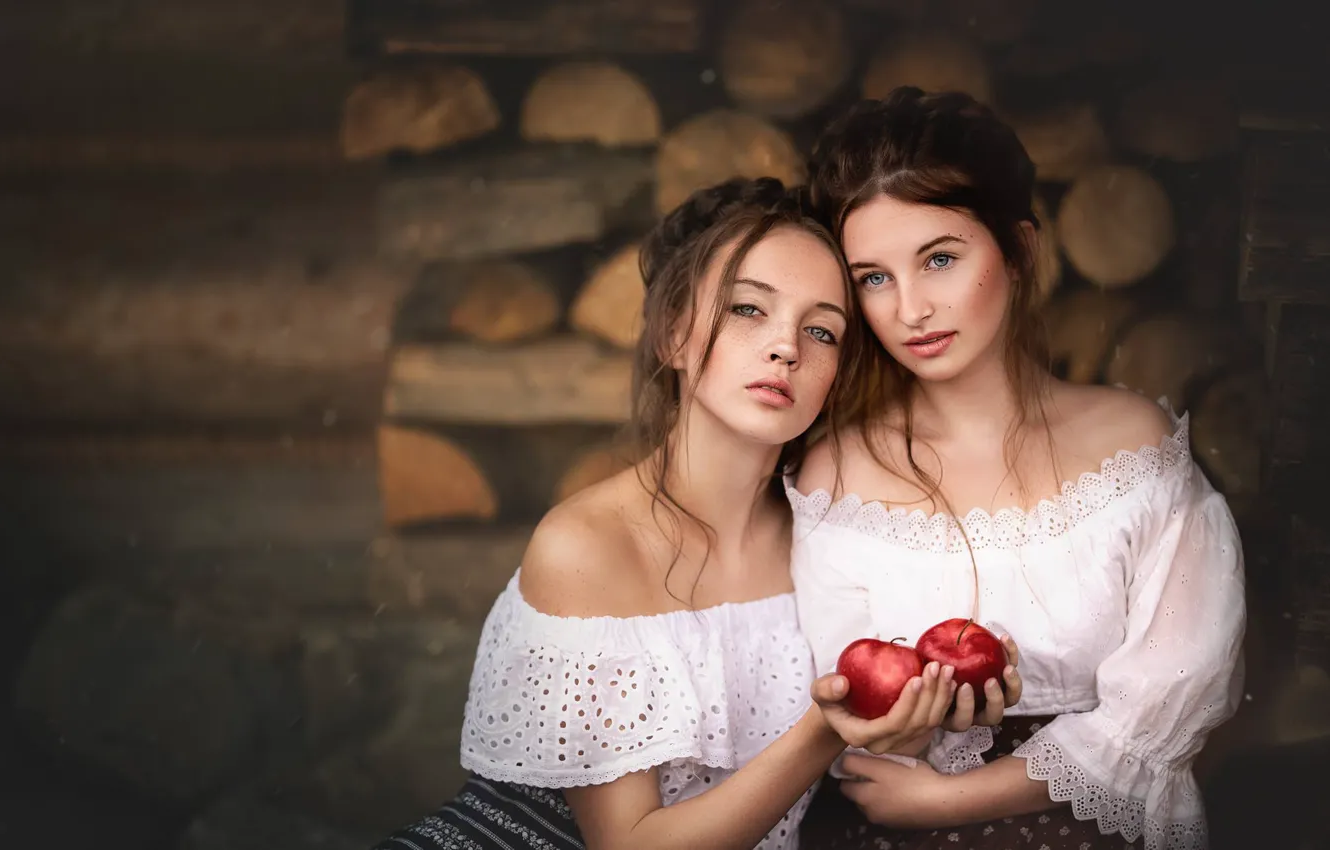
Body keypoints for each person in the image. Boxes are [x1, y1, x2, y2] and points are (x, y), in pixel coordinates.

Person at [371, 176, 974, 850]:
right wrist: (824, 730)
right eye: (749, 310)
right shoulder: (586, 547)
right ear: (674, 335)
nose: (786, 348)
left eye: (821, 331)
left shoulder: (829, 536)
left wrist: (917, 723)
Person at [789, 87, 1247, 850]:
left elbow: (1171, 700)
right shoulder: (835, 474)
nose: (909, 309)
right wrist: (901, 731)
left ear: (1020, 250)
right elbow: (843, 723)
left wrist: (949, 802)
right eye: (874, 277)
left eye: (939, 259)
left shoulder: (1133, 443)